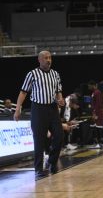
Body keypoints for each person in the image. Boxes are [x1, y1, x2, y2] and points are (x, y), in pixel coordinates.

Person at [14, 50, 65, 179]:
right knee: (39, 140)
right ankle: (38, 169)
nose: (48, 60)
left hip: (53, 108)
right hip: (38, 109)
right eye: (46, 58)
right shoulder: (32, 74)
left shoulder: (55, 74)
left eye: (50, 58)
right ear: (39, 60)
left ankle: (51, 162)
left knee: (59, 136)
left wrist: (61, 99)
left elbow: (58, 92)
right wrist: (17, 109)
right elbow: (23, 92)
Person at [88, 80, 103, 149]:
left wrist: (95, 114)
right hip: (95, 113)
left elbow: (98, 104)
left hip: (97, 113)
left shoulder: (97, 92)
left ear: (94, 85)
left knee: (98, 129)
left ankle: (101, 143)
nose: (89, 87)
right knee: (95, 128)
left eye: (90, 86)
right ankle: (98, 143)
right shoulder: (93, 93)